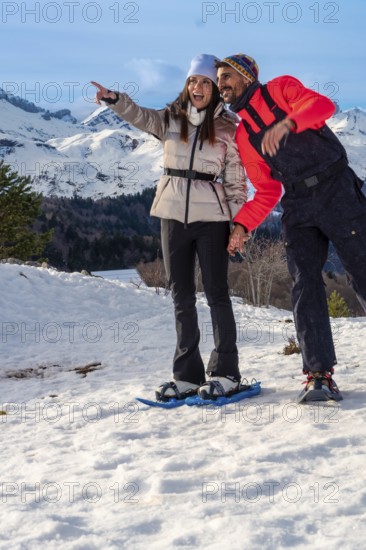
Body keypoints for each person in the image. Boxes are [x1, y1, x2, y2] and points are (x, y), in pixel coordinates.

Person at [92, 54, 247, 400]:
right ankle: (187, 375)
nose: (198, 87)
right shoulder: (170, 119)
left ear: (215, 89)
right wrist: (115, 100)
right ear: (186, 84)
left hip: (213, 219)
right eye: (194, 81)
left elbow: (236, 182)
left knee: (217, 293)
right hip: (172, 214)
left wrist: (239, 225)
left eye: (206, 82)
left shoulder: (228, 128)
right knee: (181, 295)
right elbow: (140, 116)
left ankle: (226, 372)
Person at [216, 53, 366, 400]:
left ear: (246, 76)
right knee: (304, 284)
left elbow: (322, 105)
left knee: (361, 272)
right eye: (219, 79)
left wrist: (288, 124)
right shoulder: (244, 135)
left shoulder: (281, 89)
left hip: (337, 189)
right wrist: (242, 226)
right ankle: (319, 375)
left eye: (226, 77)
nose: (220, 84)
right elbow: (267, 190)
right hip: (297, 205)